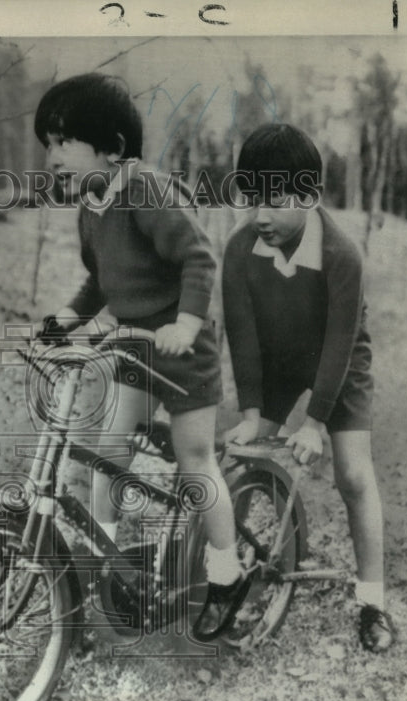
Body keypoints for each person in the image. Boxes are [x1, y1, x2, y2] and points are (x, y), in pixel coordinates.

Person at [32, 73, 247, 640]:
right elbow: (100, 282)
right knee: (108, 451)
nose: (52, 156)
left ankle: (226, 574)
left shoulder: (145, 191)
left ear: (113, 149)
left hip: (182, 346)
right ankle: (103, 565)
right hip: (135, 344)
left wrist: (186, 323)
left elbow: (199, 260)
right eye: (47, 145)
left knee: (195, 462)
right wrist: (67, 320)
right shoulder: (90, 205)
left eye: (63, 142)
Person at [220, 123, 395, 652]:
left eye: (274, 200)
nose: (261, 215)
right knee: (240, 457)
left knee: (353, 475)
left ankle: (373, 601)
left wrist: (316, 422)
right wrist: (252, 411)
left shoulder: (342, 255)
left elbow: (341, 341)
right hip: (276, 362)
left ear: (309, 195)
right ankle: (227, 574)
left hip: (336, 364)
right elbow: (243, 337)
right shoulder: (238, 250)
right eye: (252, 199)